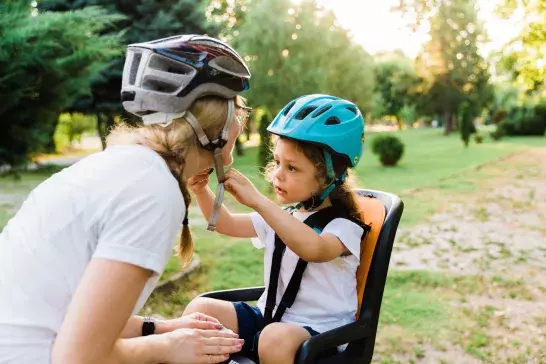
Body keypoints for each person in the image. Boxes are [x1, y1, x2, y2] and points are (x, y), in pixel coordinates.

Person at [0, 34, 251, 364]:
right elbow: (78, 357)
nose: (239, 121)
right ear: (214, 127)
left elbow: (74, 310)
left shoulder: (124, 164)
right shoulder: (153, 192)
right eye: (235, 109)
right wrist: (170, 347)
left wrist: (161, 329)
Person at [184, 94, 367, 364]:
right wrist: (201, 189)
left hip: (320, 336)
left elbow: (313, 248)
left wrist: (259, 201)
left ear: (329, 175)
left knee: (273, 338)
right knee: (200, 311)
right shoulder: (285, 216)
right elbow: (226, 223)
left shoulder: (344, 228)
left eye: (292, 168)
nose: (277, 174)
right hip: (270, 319)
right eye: (277, 162)